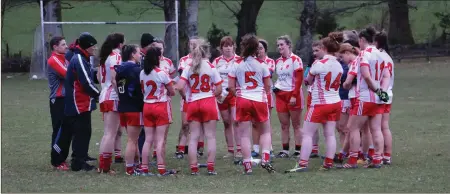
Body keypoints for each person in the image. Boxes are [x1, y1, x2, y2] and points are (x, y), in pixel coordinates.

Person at [285, 33, 343, 172]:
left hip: (320, 103)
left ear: (324, 47)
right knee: (329, 134)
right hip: (335, 102)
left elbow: (308, 81)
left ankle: (303, 164)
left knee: (307, 134)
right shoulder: (339, 65)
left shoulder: (319, 64)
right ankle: (328, 163)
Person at [339, 27, 390, 169]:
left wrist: (376, 90)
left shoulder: (363, 55)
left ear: (362, 40)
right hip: (378, 99)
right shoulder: (381, 55)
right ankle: (377, 159)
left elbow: (366, 76)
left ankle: (352, 161)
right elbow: (386, 75)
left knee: (352, 128)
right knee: (376, 129)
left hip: (365, 97)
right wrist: (382, 92)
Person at [228, 34, 275, 174]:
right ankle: (265, 157)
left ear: (243, 46)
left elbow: (230, 87)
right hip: (259, 99)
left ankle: (247, 166)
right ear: (256, 49)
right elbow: (268, 86)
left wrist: (240, 95)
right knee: (265, 130)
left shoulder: (236, 64)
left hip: (243, 100)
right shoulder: (262, 65)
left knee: (243, 134)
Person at [52, 33, 100, 171]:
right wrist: (99, 94)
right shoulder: (78, 58)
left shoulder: (82, 57)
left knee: (83, 131)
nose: (95, 48)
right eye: (93, 46)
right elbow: (85, 82)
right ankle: (77, 162)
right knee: (81, 132)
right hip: (77, 102)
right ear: (87, 47)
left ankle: (80, 157)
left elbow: (89, 76)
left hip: (82, 102)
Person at [175, 38, 222, 175]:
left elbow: (180, 86)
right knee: (210, 136)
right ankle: (210, 167)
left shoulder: (188, 66)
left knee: (193, 136)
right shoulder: (211, 67)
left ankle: (194, 168)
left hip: (193, 102)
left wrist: (186, 97)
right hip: (208, 101)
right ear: (206, 52)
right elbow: (219, 88)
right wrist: (212, 94)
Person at [140, 46, 177, 176]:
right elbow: (172, 92)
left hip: (147, 106)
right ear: (157, 58)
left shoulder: (142, 73)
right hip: (160, 106)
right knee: (160, 139)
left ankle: (144, 167)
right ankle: (161, 168)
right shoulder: (161, 73)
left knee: (148, 139)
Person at [97, 33, 125, 174]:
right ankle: (106, 168)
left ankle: (102, 165)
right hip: (113, 96)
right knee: (111, 134)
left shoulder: (105, 57)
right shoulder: (116, 56)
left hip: (104, 95)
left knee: (107, 133)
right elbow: (115, 79)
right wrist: (121, 94)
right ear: (120, 44)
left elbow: (98, 76)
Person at [114, 44, 144, 175]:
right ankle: (130, 169)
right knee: (132, 140)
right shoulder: (136, 70)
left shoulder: (119, 69)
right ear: (132, 54)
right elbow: (140, 90)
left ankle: (136, 165)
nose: (141, 55)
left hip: (123, 107)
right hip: (134, 108)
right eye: (138, 53)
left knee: (134, 138)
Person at [273, 35, 304, 158]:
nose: (279, 47)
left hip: (293, 94)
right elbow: (280, 78)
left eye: (282, 44)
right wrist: (275, 87)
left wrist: (294, 95)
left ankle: (298, 150)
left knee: (296, 124)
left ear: (288, 45)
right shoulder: (278, 61)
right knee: (284, 124)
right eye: (278, 45)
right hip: (281, 95)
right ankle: (285, 150)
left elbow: (299, 79)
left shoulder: (296, 59)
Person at [212, 36, 242, 159]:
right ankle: (230, 150)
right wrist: (216, 91)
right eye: (225, 46)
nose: (228, 48)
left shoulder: (239, 60)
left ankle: (239, 149)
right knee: (226, 122)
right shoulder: (217, 61)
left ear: (234, 46)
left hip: (234, 93)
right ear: (221, 48)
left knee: (236, 121)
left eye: (230, 45)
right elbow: (212, 77)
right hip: (221, 95)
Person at [175, 36, 199, 159]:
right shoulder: (184, 60)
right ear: (188, 46)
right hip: (187, 96)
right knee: (185, 123)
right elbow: (182, 79)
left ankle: (198, 148)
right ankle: (180, 149)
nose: (193, 46)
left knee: (198, 123)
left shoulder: (203, 60)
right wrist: (184, 95)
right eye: (191, 44)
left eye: (196, 44)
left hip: (199, 96)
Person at [251, 39, 275, 158]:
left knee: (266, 122)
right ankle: (255, 149)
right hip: (253, 95)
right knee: (254, 123)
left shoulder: (269, 62)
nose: (258, 51)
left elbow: (267, 75)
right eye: (256, 48)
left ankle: (269, 148)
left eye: (261, 48)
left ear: (265, 49)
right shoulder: (251, 62)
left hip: (266, 94)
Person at [48, 36, 69, 170]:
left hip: (65, 98)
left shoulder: (64, 58)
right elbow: (68, 74)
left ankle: (63, 158)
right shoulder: (53, 60)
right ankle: (56, 161)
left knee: (67, 129)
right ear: (55, 47)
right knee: (59, 130)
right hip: (58, 99)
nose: (66, 46)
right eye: (63, 44)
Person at [374, 31, 394, 165]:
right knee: (384, 126)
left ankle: (378, 155)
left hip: (380, 94)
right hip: (389, 94)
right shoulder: (388, 56)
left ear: (375, 42)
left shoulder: (378, 56)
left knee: (377, 127)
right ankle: (387, 155)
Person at [137, 33, 157, 161]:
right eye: (152, 45)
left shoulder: (144, 59)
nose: (154, 47)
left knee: (147, 132)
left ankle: (142, 158)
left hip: (147, 99)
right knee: (143, 132)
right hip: (143, 100)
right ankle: (141, 158)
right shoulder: (142, 60)